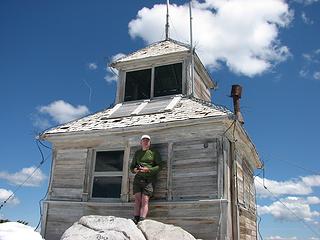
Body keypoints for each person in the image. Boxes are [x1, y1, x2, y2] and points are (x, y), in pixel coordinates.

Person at [130, 134, 162, 224]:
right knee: (137, 199)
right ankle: (135, 218)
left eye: (147, 140)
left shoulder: (154, 152)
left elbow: (160, 166)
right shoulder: (137, 153)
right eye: (144, 140)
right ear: (141, 142)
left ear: (150, 143)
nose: (145, 142)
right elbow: (131, 167)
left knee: (145, 199)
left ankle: (142, 219)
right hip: (138, 179)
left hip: (149, 179)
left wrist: (149, 169)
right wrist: (135, 170)